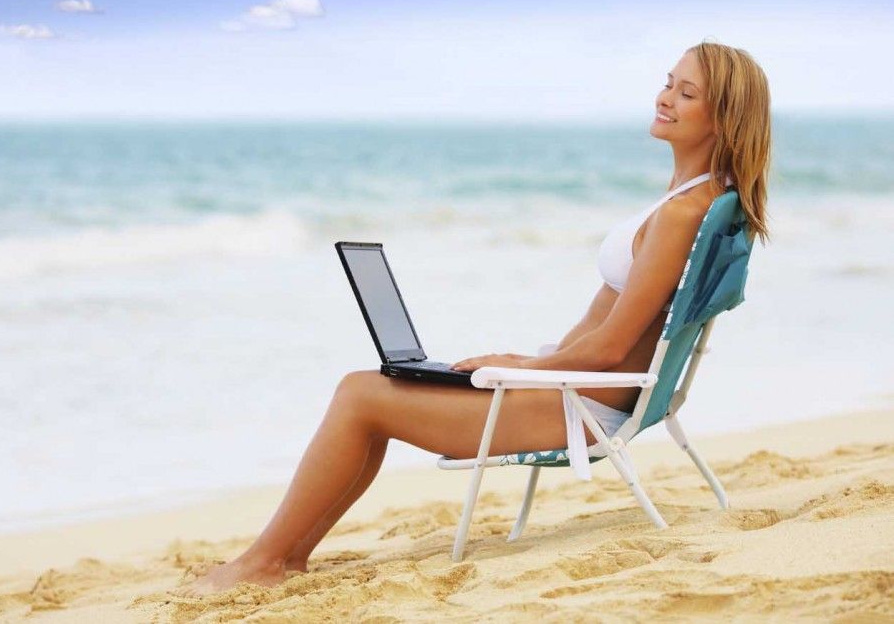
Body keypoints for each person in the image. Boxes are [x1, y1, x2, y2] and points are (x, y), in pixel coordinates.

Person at [185, 39, 771, 593]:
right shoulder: (697, 201)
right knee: (377, 389)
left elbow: (612, 348)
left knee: (361, 395)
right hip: (578, 392)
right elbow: (604, 331)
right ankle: (285, 556)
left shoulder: (679, 216)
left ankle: (266, 561)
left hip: (581, 408)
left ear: (724, 118)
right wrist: (532, 366)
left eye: (686, 93)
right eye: (668, 84)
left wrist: (519, 366)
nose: (664, 98)